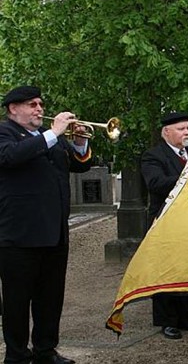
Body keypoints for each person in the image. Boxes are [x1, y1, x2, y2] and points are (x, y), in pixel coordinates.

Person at [0, 85, 92, 364]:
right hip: (19, 234)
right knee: (17, 301)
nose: (40, 109)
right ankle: (16, 356)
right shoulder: (5, 133)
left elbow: (80, 166)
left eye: (40, 104)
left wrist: (78, 141)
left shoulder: (48, 137)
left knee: (50, 298)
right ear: (13, 109)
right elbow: (10, 157)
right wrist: (54, 133)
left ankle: (45, 350)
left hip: (54, 232)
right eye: (32, 104)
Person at [140, 112, 188, 339]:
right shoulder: (153, 155)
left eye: (187, 128)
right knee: (166, 270)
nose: (186, 132)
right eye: (180, 129)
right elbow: (155, 183)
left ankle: (187, 317)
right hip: (165, 220)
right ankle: (167, 320)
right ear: (166, 132)